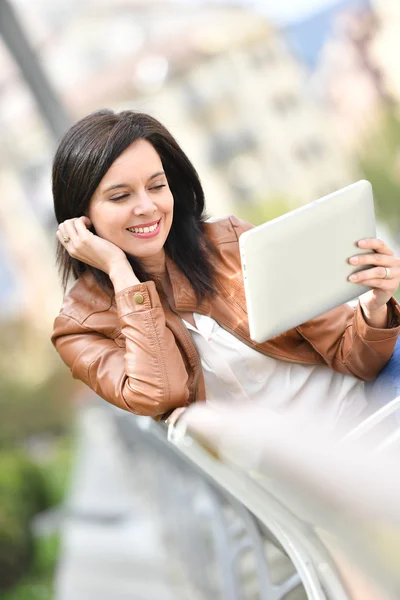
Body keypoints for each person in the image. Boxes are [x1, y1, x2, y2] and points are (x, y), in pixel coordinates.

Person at [51, 109, 400, 423]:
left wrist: (374, 307)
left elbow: (355, 356)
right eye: (120, 196)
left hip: (365, 411)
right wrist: (121, 274)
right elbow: (160, 394)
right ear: (80, 216)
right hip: (299, 471)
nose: (147, 207)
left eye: (157, 186)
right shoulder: (80, 328)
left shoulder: (228, 243)